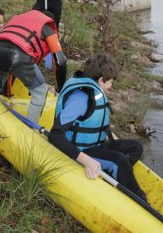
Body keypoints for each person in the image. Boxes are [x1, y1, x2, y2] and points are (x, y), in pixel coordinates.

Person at [48, 53, 147, 201]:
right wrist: (86, 161)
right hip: (80, 150)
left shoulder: (94, 91)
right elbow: (55, 135)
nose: (111, 86)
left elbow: (92, 122)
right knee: (118, 160)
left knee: (136, 146)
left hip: (95, 144)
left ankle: (110, 176)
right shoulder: (80, 98)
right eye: (111, 82)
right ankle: (141, 202)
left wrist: (112, 137)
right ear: (101, 80)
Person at [0, 10, 67, 123]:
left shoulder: (21, 19)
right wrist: (60, 89)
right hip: (19, 57)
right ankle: (29, 130)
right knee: (40, 92)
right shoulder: (48, 28)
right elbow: (61, 62)